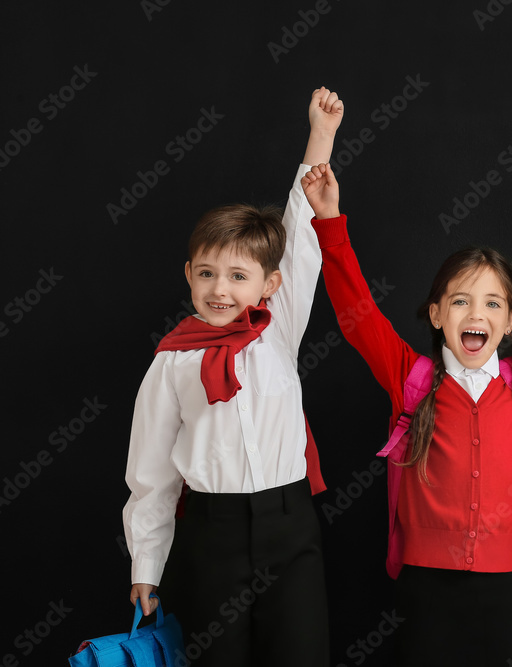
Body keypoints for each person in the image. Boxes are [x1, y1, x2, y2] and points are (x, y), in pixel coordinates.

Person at [300, 162, 512, 666]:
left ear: (509, 322)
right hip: (425, 578)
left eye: (492, 303)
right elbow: (358, 315)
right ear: (437, 315)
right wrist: (329, 221)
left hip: (504, 580)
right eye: (460, 301)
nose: (476, 314)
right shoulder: (411, 377)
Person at [121, 86, 344, 667]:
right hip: (211, 536)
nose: (221, 289)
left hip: (290, 527)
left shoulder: (279, 326)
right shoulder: (173, 360)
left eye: (239, 275)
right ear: (189, 276)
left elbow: (299, 240)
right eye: (208, 273)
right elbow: (150, 474)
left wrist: (320, 137)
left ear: (267, 285)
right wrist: (146, 565)